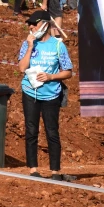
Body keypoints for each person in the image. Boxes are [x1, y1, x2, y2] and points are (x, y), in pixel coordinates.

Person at [18, 11, 74, 180]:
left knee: (52, 131)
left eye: (34, 24)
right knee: (31, 130)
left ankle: (55, 171)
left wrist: (51, 77)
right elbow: (21, 68)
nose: (31, 27)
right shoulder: (27, 44)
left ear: (44, 24)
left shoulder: (58, 45)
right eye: (29, 24)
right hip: (30, 92)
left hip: (51, 95)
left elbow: (68, 72)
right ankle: (33, 169)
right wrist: (29, 46)